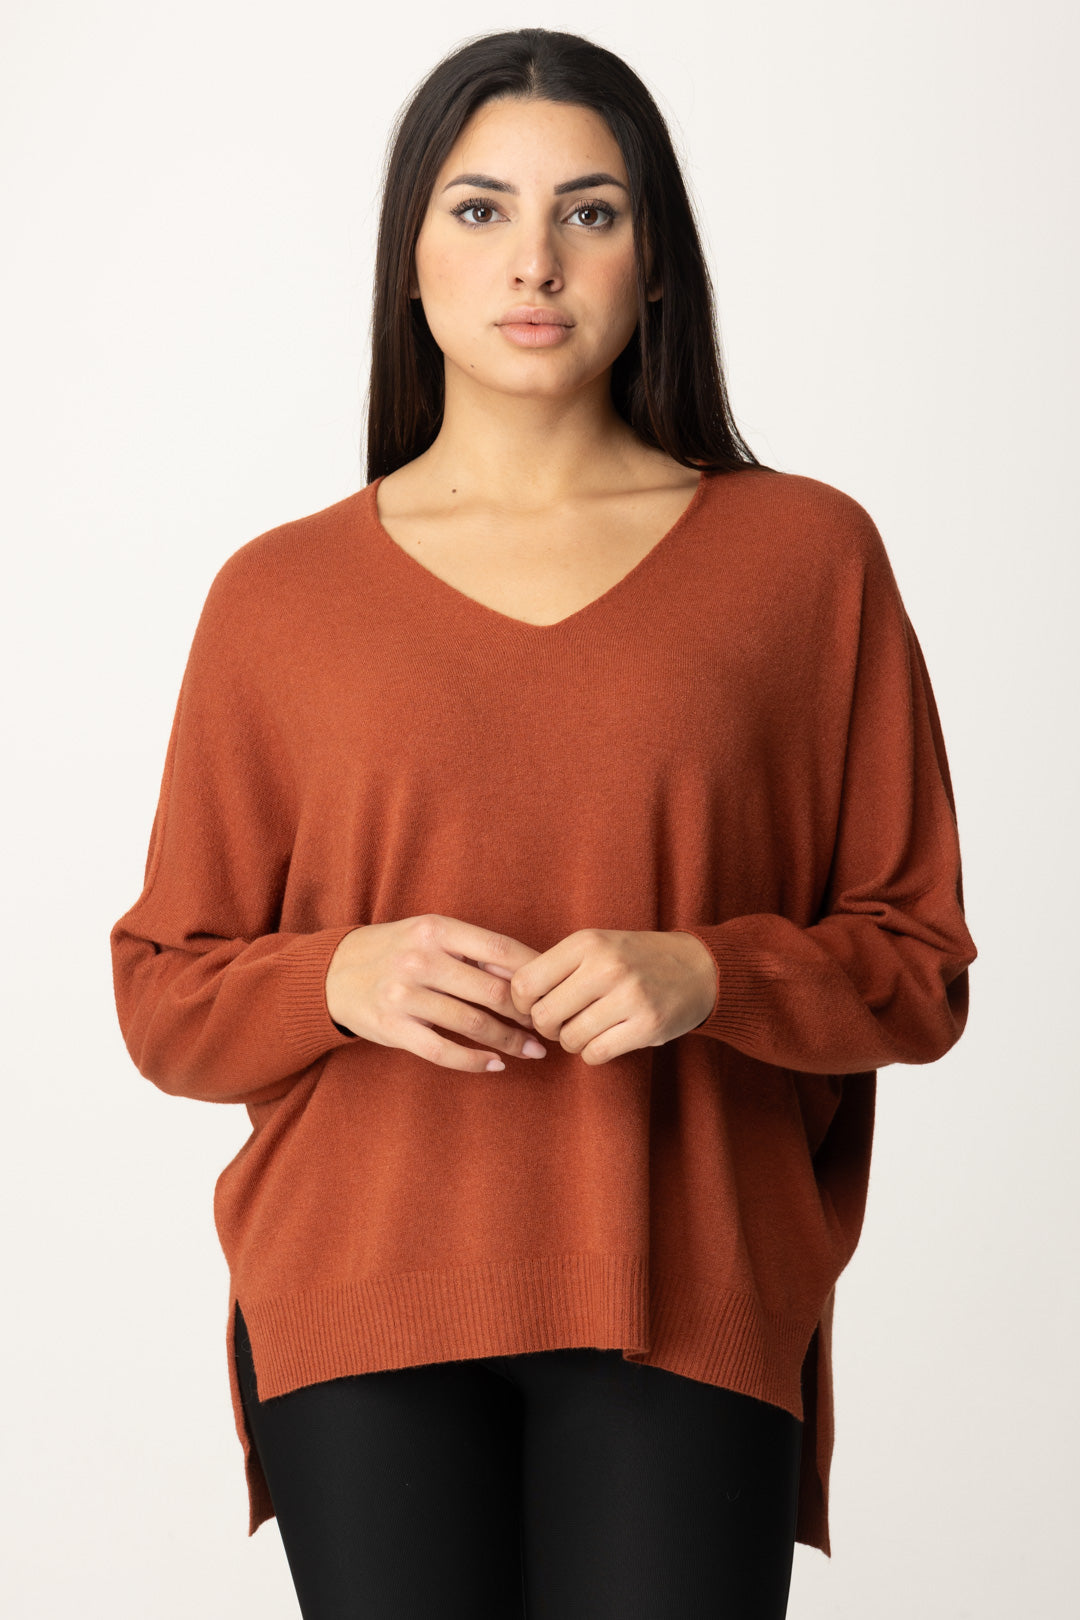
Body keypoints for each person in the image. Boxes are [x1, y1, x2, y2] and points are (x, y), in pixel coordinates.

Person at [109, 26, 978, 1620]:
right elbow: (164, 992)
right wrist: (337, 977)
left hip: (688, 1287)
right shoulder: (278, 598)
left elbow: (918, 966)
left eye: (590, 211)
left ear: (657, 261)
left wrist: (713, 974)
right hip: (357, 1297)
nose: (535, 260)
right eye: (480, 209)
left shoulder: (805, 560)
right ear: (410, 259)